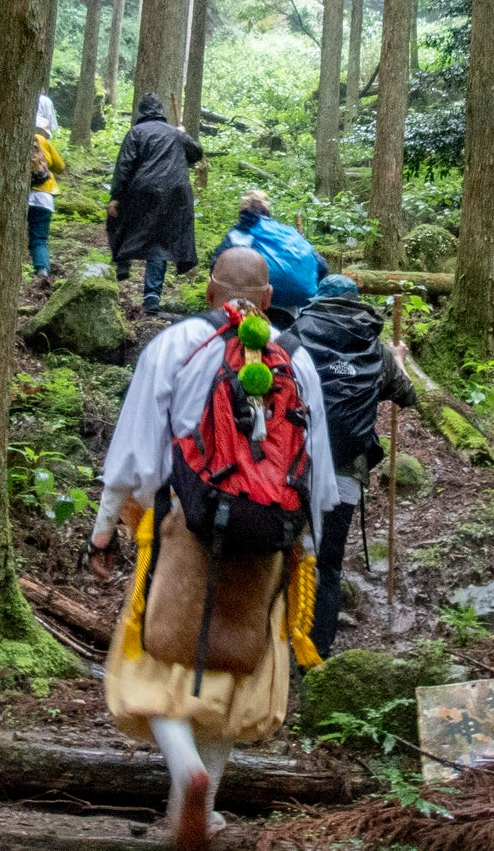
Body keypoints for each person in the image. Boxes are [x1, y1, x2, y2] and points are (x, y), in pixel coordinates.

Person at [89, 248, 339, 848]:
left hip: (182, 528)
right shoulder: (299, 361)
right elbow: (317, 472)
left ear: (208, 289)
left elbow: (134, 454)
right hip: (269, 540)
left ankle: (188, 774)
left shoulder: (176, 345)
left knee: (151, 662)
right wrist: (306, 548)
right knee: (237, 665)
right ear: (271, 299)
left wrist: (102, 531)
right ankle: (202, 808)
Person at [286, 274, 416, 656]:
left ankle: (280, 643)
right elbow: (408, 396)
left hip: (295, 467)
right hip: (346, 472)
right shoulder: (373, 349)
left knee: (287, 553)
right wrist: (398, 360)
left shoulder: (293, 337)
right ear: (357, 303)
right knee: (328, 566)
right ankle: (317, 653)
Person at [107, 92, 203, 313]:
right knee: (159, 243)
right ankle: (151, 296)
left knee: (121, 219)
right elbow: (197, 152)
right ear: (161, 112)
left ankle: (123, 263)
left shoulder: (136, 132)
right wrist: (182, 135)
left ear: (141, 112)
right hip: (176, 193)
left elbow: (124, 166)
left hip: (145, 189)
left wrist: (116, 196)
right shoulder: (174, 134)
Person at [208, 191, 328, 329]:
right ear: (267, 209)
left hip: (250, 307)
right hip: (290, 311)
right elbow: (322, 265)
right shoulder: (287, 232)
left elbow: (217, 266)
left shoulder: (240, 233)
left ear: (242, 209)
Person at [28, 121, 66, 276]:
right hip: (44, 197)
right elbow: (60, 166)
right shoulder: (42, 141)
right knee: (39, 238)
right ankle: (42, 269)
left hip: (22, 195)